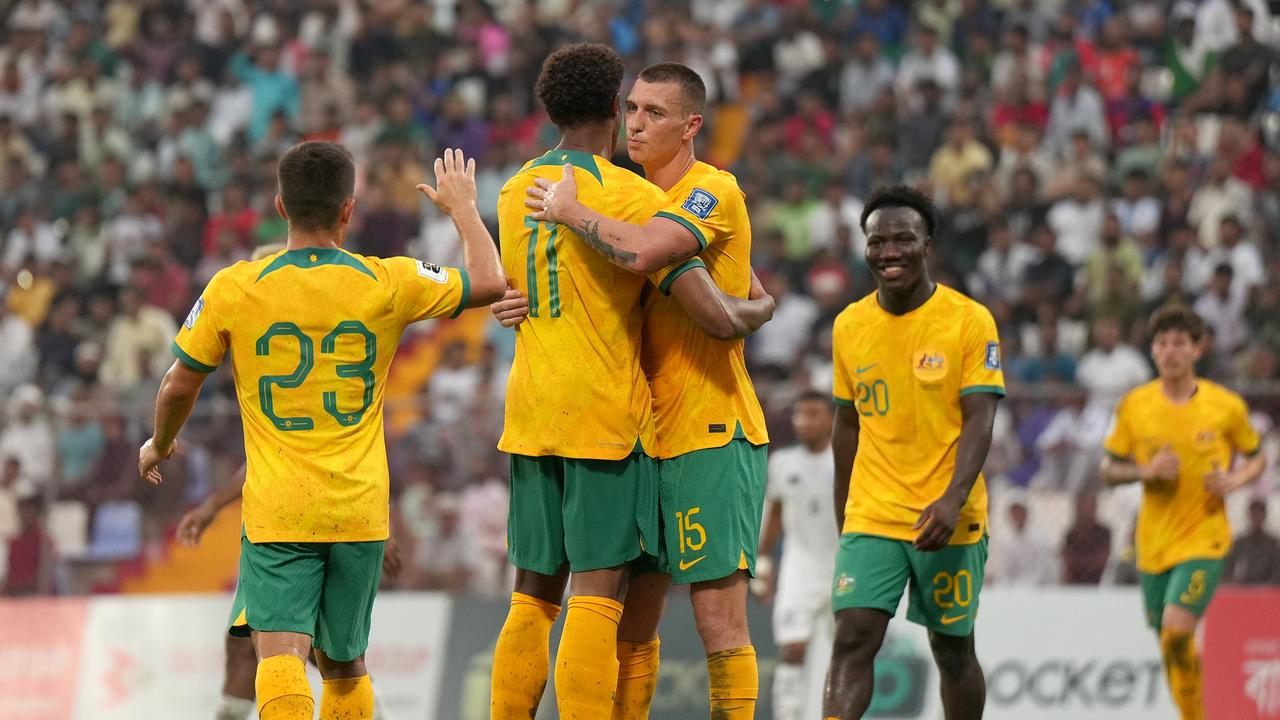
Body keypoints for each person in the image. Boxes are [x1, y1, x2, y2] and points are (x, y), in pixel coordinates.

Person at [137, 140, 505, 720]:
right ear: (348, 210)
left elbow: (177, 386)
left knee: (278, 653)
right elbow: (489, 281)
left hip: (280, 505)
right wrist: (461, 208)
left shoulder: (234, 288)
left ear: (280, 207)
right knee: (344, 664)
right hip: (359, 509)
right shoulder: (390, 281)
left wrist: (160, 442)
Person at [486, 46, 773, 720]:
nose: (639, 124)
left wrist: (756, 309)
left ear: (692, 125)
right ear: (615, 113)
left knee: (717, 624)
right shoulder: (628, 192)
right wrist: (517, 298)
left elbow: (711, 303)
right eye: (634, 109)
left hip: (705, 426)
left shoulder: (704, 190)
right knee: (628, 626)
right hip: (637, 432)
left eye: (656, 113)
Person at [825, 185, 1004, 720]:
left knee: (951, 649)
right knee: (853, 639)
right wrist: (846, 513)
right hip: (873, 513)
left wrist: (952, 499)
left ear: (928, 244)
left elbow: (981, 418)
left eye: (904, 239)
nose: (889, 251)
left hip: (946, 514)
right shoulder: (849, 325)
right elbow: (846, 424)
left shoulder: (969, 321)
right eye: (877, 241)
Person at [1101, 305, 1266, 720]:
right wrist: (1145, 471)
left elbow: (1257, 457)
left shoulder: (1224, 406)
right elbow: (1107, 469)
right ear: (1153, 351)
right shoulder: (1134, 406)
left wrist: (1235, 481)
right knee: (1170, 644)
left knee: (1176, 632)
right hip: (1153, 544)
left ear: (1197, 349)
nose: (1170, 351)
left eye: (1179, 343)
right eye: (1162, 343)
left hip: (1204, 538)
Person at [174, 461, 400, 720]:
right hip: (274, 527)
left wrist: (383, 524)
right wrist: (213, 505)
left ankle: (376, 710)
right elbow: (261, 456)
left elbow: (365, 455)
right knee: (243, 642)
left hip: (329, 525)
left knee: (322, 652)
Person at [752, 391, 838, 720]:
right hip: (798, 568)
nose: (803, 420)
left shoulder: (845, 458)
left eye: (813, 413)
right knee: (792, 648)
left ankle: (837, 713)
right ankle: (787, 714)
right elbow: (774, 514)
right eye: (800, 413)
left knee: (844, 651)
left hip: (840, 566)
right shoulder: (782, 462)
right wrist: (763, 561)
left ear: (830, 419)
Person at [1224, 499, 1280, 585]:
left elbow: (1277, 571)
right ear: (1249, 516)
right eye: (1254, 514)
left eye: (1259, 514)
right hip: (1244, 588)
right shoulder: (1240, 543)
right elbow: (1228, 568)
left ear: (1264, 516)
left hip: (1267, 589)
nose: (1256, 517)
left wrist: (1266, 588)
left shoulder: (1273, 543)